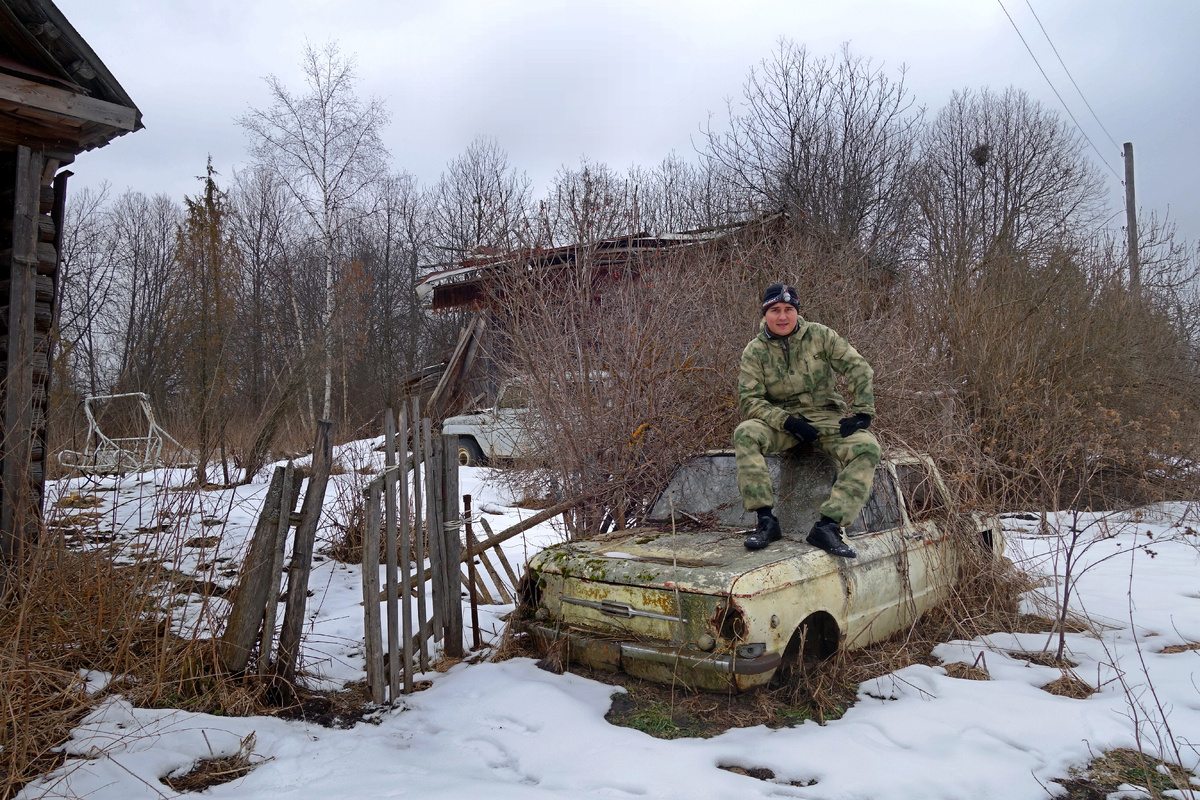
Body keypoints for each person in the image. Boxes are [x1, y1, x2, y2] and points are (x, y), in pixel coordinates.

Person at [734, 283, 881, 556]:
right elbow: (750, 400)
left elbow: (858, 367)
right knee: (745, 433)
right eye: (775, 310)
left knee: (868, 447)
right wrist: (786, 421)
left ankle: (827, 527)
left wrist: (863, 412)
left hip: (826, 418)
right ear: (765, 314)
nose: (782, 317)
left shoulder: (821, 336)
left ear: (797, 311)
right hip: (782, 423)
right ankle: (765, 521)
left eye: (789, 309)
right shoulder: (754, 351)